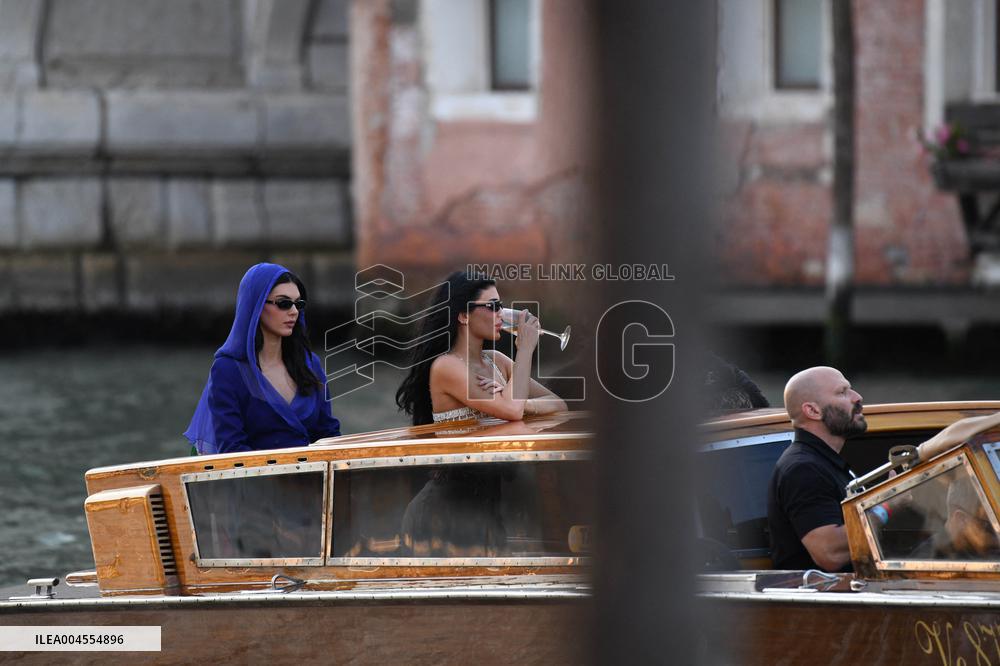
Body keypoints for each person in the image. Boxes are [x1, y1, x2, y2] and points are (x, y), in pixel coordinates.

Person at [768, 365, 1000, 572]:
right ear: (813, 411)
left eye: (851, 389)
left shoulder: (820, 463)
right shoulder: (803, 468)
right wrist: (887, 503)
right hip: (823, 614)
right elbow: (829, 553)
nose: (857, 397)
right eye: (842, 392)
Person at [184, 263, 340, 454]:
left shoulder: (310, 364)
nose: (294, 312)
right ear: (256, 305)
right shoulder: (227, 370)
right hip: (254, 480)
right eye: (283, 303)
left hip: (313, 478)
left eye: (299, 304)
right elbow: (232, 448)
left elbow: (328, 435)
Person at [395, 271, 567, 425]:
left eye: (500, 306)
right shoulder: (446, 366)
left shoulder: (497, 360)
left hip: (503, 457)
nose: (501, 313)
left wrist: (526, 404)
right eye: (493, 306)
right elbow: (512, 410)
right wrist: (525, 349)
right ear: (463, 316)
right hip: (465, 460)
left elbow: (559, 404)